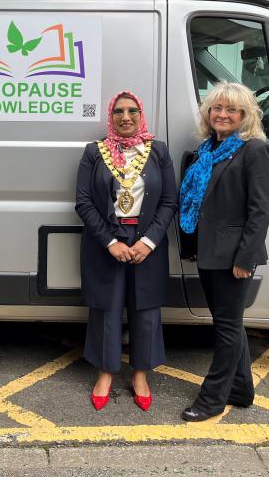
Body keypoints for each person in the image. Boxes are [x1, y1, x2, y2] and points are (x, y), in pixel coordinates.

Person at [178, 81, 269, 422]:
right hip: (208, 253)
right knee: (228, 323)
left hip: (233, 257)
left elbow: (259, 211)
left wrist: (244, 260)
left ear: (245, 116)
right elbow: (200, 203)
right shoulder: (207, 150)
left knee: (226, 328)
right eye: (216, 108)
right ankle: (241, 389)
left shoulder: (254, 150)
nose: (222, 114)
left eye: (231, 110)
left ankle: (212, 399)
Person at [75, 91, 177, 412]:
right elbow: (84, 202)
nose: (126, 117)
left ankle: (141, 375)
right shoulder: (95, 152)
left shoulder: (157, 151)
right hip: (107, 239)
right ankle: (105, 373)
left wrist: (148, 242)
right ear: (111, 115)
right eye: (118, 111)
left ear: (141, 114)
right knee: (106, 307)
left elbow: (169, 201)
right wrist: (111, 241)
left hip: (147, 239)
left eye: (133, 110)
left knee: (145, 310)